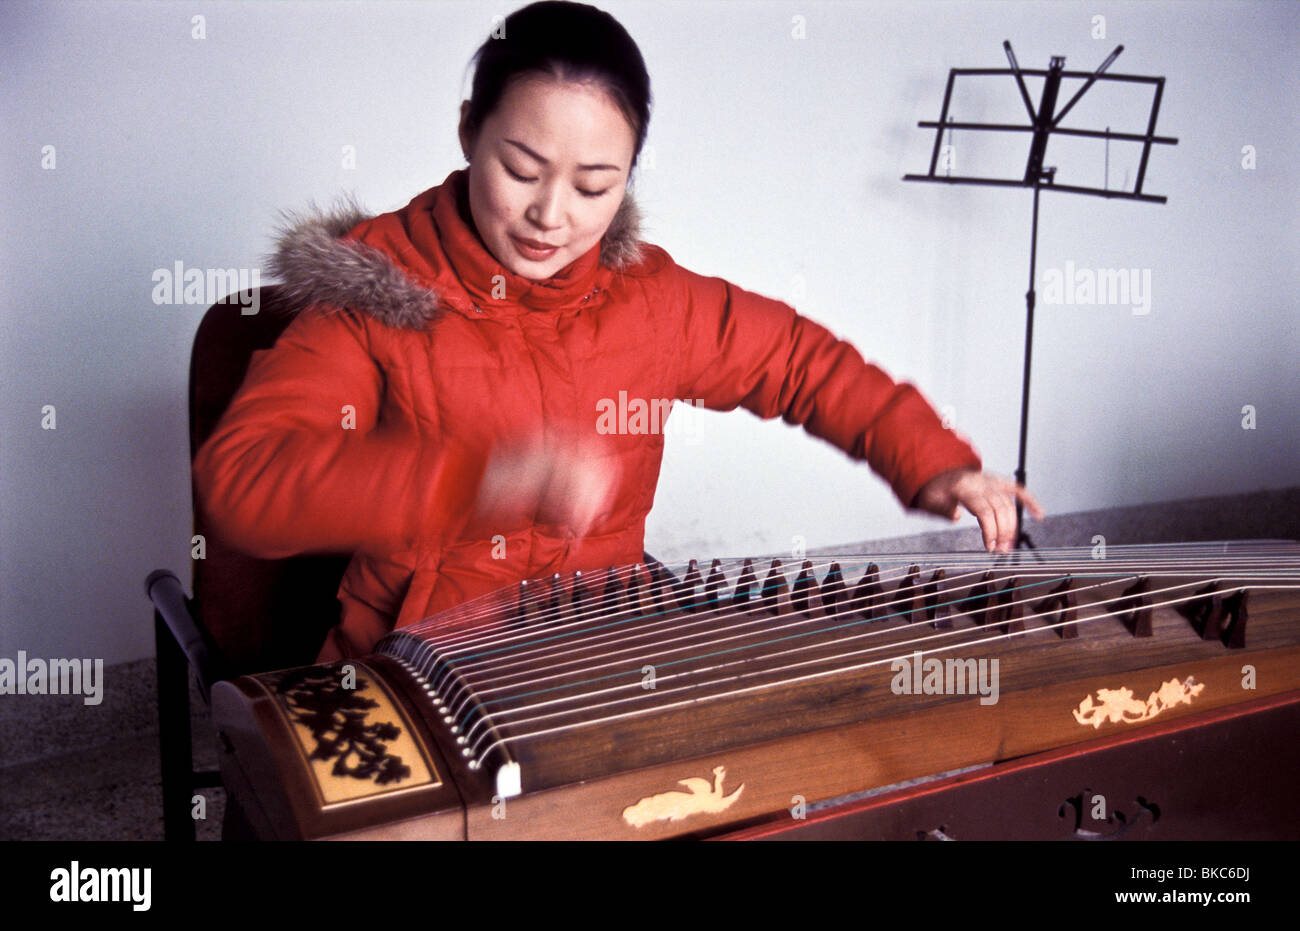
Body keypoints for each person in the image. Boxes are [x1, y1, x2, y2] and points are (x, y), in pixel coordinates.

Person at [193, 0, 1043, 663]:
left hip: (596, 646)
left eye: (594, 185)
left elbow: (797, 361)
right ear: (467, 132)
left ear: (628, 177)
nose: (549, 215)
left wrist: (931, 460)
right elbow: (243, 484)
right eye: (519, 170)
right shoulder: (378, 289)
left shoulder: (648, 299)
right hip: (419, 664)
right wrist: (476, 481)